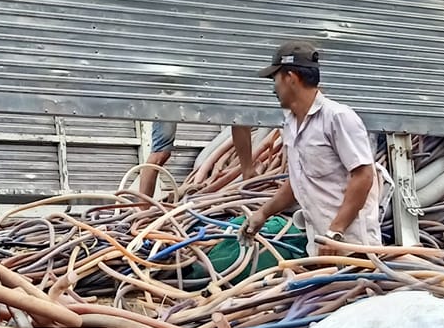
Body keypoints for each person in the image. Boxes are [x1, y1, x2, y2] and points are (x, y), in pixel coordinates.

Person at [241, 37, 381, 250]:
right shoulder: (291, 123)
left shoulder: (337, 118)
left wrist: (336, 232)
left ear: (290, 78)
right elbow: (299, 180)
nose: (273, 89)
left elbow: (363, 176)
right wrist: (262, 213)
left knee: (352, 285)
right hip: (319, 243)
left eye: (274, 80)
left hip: (352, 246)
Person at [138, 121, 256, 198]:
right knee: (160, 154)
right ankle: (142, 211)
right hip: (170, 89)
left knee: (240, 115)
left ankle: (248, 176)